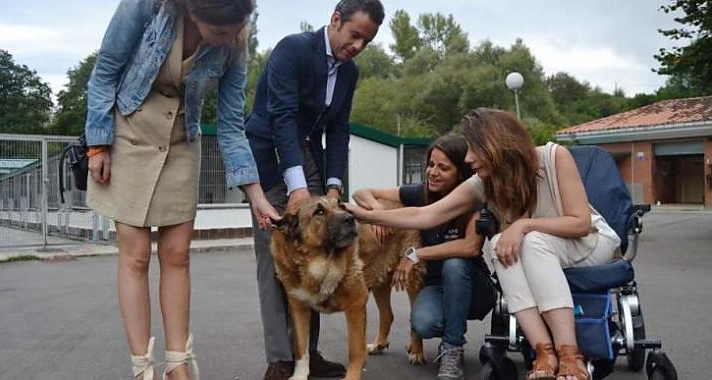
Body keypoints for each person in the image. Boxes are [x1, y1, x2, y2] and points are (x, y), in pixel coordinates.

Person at [346, 108, 621, 380]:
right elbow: (425, 214)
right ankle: (543, 354)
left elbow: (580, 223)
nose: (468, 158)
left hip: (589, 243)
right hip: (539, 252)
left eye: (473, 149)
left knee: (529, 240)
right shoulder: (483, 183)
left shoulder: (552, 157)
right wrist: (367, 215)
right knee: (503, 242)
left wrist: (523, 225)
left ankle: (570, 356)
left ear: (495, 144)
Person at [85, 1, 278, 379]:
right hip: (130, 130)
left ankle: (178, 366)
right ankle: (143, 368)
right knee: (136, 256)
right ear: (192, 11)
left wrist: (256, 195)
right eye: (221, 32)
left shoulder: (237, 39)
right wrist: (98, 143)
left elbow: (231, 124)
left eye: (238, 29)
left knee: (177, 256)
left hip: (181, 141)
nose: (230, 40)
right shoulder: (147, 7)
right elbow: (105, 72)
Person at [244, 0, 385, 379]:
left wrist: (335, 185)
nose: (357, 47)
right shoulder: (293, 49)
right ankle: (280, 358)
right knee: (275, 260)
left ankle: (309, 353)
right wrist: (296, 189)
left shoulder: (349, 72)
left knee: (323, 248)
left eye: (366, 42)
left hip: (310, 156)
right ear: (335, 20)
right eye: (355, 35)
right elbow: (282, 118)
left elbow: (338, 130)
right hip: (269, 158)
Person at [352, 133, 496, 380]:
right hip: (437, 286)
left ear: (460, 173)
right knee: (423, 323)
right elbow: (361, 193)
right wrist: (377, 213)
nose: (433, 172)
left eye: (443, 168)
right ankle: (442, 331)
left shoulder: (474, 198)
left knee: (454, 263)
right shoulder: (421, 193)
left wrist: (415, 254)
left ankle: (452, 348)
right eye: (431, 165)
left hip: (473, 288)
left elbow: (470, 247)